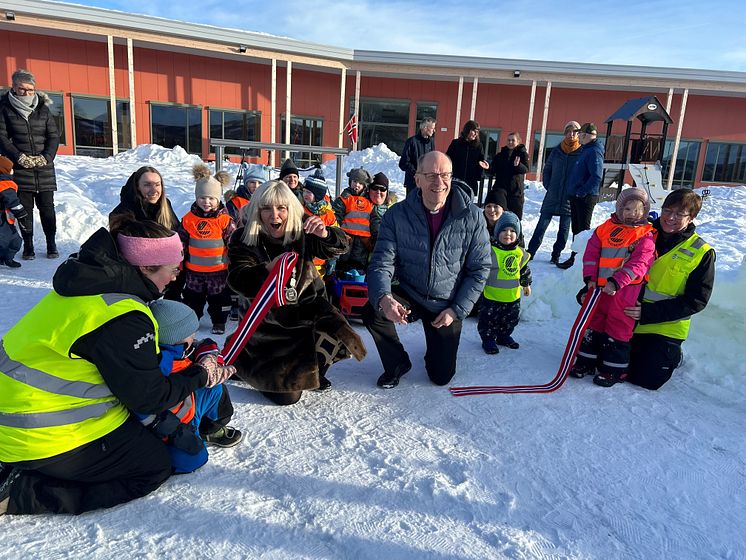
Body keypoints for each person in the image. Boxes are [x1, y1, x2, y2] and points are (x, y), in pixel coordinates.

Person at [0, 217, 235, 515]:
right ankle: (20, 496)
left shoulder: (84, 286)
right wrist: (201, 375)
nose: (176, 277)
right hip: (43, 434)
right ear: (146, 268)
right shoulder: (124, 317)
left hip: (12, 415)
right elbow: (149, 397)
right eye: (173, 269)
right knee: (152, 467)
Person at [226, 180, 366, 405]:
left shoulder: (302, 230)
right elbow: (237, 279)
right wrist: (267, 271)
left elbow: (340, 246)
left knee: (340, 333)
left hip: (309, 311)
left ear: (290, 209)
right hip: (269, 325)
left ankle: (311, 370)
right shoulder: (243, 238)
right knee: (289, 398)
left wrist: (325, 234)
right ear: (257, 210)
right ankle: (244, 366)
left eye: (281, 208)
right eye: (267, 208)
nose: (275, 215)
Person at [363, 151, 491, 388]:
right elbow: (382, 262)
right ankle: (397, 362)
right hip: (411, 291)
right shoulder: (396, 215)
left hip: (446, 302)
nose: (438, 182)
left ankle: (436, 347)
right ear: (417, 179)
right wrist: (385, 298)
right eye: (431, 175)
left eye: (444, 175)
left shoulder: (472, 217)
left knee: (440, 376)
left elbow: (480, 269)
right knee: (373, 309)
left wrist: (456, 310)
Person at [624, 189, 715, 391]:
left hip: (662, 327)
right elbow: (608, 262)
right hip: (624, 316)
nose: (670, 218)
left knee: (644, 379)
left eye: (679, 214)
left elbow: (697, 300)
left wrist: (647, 313)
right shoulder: (639, 233)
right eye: (667, 210)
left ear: (691, 218)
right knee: (603, 365)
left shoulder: (701, 252)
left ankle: (673, 355)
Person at [569, 187, 655, 387]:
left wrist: (618, 281)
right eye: (627, 209)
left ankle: (614, 370)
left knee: (619, 328)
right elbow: (591, 254)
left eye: (637, 210)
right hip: (599, 289)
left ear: (645, 211)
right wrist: (590, 277)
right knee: (594, 324)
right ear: (619, 209)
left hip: (625, 291)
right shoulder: (604, 229)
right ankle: (586, 362)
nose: (632, 214)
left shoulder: (645, 235)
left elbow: (640, 263)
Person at [144, 299, 242, 474]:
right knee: (196, 458)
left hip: (188, 409)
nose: (194, 337)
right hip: (171, 425)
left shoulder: (179, 350)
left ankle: (208, 430)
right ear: (176, 337)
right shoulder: (161, 363)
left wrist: (208, 357)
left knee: (215, 387)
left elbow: (204, 344)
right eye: (191, 333)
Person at [0, 69, 60, 260]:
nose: (26, 93)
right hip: (20, 169)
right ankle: (28, 246)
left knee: (47, 209)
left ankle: (51, 243)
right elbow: (2, 138)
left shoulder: (43, 109)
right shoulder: (4, 108)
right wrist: (19, 157)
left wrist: (46, 157)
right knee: (24, 210)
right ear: (14, 88)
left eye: (30, 89)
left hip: (44, 169)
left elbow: (53, 136)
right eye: (22, 89)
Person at [109, 166, 183, 301]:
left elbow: (176, 234)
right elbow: (119, 250)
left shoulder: (165, 205)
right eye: (147, 185)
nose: (154, 190)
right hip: (136, 277)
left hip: (164, 271)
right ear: (137, 187)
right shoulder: (124, 212)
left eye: (157, 184)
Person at [179, 164, 235, 335]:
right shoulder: (188, 219)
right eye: (202, 198)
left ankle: (219, 321)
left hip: (218, 271)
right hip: (194, 271)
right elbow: (181, 243)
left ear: (218, 199)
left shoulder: (225, 220)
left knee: (219, 299)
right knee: (192, 299)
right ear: (197, 198)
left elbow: (233, 242)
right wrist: (179, 261)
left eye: (211, 198)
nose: (207, 202)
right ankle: (192, 320)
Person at [527, 121, 581, 264]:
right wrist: (549, 186)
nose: (571, 134)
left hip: (569, 199)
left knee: (563, 231)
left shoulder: (581, 152)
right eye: (568, 131)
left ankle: (556, 255)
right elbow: (547, 169)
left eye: (574, 131)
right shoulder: (557, 151)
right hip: (552, 196)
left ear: (578, 134)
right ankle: (530, 253)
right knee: (541, 226)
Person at [478, 211, 532, 354]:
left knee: (510, 319)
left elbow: (524, 270)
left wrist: (526, 284)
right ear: (497, 232)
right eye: (504, 230)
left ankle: (504, 336)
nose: (508, 233)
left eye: (512, 230)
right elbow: (480, 270)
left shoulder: (520, 253)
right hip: (491, 296)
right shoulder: (490, 251)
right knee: (488, 320)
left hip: (512, 297)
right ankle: (488, 339)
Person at [557, 122, 604, 269]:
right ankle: (575, 257)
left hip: (585, 197)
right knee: (576, 229)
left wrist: (581, 191)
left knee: (582, 230)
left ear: (585, 135)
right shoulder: (586, 149)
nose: (577, 137)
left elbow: (596, 176)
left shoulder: (594, 151)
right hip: (577, 196)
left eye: (579, 134)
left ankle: (580, 261)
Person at [332, 167, 374, 273]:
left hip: (363, 241)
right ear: (350, 182)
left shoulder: (369, 200)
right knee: (343, 259)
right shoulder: (345, 198)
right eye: (355, 181)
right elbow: (336, 216)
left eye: (360, 183)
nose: (357, 185)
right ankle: (339, 277)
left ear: (365, 185)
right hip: (346, 237)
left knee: (359, 263)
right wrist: (339, 233)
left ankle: (357, 282)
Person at [302, 168, 338, 278]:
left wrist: (333, 258)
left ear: (318, 195)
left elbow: (336, 237)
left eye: (308, 192)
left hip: (321, 262)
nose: (305, 194)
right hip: (303, 261)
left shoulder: (328, 214)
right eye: (304, 191)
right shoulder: (301, 211)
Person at [488, 132, 529, 219]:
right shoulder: (500, 155)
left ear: (518, 141)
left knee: (515, 219)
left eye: (513, 140)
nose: (510, 142)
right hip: (501, 191)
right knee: (499, 217)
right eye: (508, 140)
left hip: (516, 193)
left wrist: (518, 165)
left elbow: (526, 169)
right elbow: (492, 170)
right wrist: (487, 167)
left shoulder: (522, 154)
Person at [446, 120, 489, 196]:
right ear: (467, 130)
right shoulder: (456, 143)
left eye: (477, 132)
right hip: (456, 181)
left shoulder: (479, 146)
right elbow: (447, 160)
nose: (476, 134)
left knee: (468, 206)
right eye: (474, 131)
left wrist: (483, 166)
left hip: (470, 183)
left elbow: (481, 162)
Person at [0, 155, 28, 268]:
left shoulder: (5, 182)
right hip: (2, 220)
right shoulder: (4, 184)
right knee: (5, 241)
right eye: (11, 169)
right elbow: (12, 201)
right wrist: (22, 214)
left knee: (15, 240)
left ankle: (7, 258)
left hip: (6, 219)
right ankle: (5, 258)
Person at [399, 117, 436, 194]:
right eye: (432, 128)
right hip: (413, 183)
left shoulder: (431, 142)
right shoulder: (411, 142)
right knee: (413, 205)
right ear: (425, 128)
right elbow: (403, 163)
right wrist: (417, 173)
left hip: (427, 183)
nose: (434, 130)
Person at [368, 171, 396, 249]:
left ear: (387, 192)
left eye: (382, 189)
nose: (378, 192)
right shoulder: (358, 206)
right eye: (375, 188)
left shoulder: (395, 211)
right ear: (369, 190)